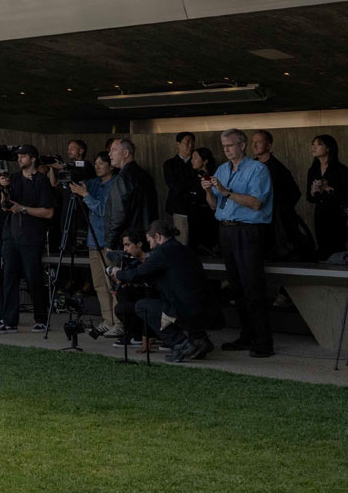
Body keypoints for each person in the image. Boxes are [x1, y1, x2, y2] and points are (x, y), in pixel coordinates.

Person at [202, 128, 274, 356]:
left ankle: (264, 341)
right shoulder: (222, 169)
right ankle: (246, 335)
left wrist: (225, 191)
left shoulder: (257, 169)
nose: (226, 149)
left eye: (230, 145)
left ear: (242, 145)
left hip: (248, 230)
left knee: (253, 286)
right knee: (237, 287)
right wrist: (209, 192)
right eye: (224, 146)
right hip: (226, 229)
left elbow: (256, 203)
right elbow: (215, 205)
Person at [111, 219, 213, 361]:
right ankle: (199, 340)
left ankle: (180, 343)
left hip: (184, 309)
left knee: (142, 306)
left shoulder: (162, 253)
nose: (150, 247)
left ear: (158, 237)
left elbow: (138, 274)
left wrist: (117, 273)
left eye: (150, 241)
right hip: (204, 308)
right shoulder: (183, 249)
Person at [0, 144, 59, 333]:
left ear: (32, 158)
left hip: (31, 237)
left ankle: (41, 318)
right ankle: (9, 320)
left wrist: (23, 208)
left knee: (34, 279)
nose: (19, 159)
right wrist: (3, 189)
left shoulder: (41, 181)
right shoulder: (13, 178)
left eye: (23, 156)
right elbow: (5, 206)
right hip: (11, 236)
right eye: (18, 156)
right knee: (9, 279)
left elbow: (48, 213)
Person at [67, 153, 125, 335]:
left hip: (108, 240)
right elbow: (74, 184)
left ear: (111, 166)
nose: (98, 167)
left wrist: (85, 194)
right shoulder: (93, 183)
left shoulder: (115, 184)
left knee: (112, 283)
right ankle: (107, 321)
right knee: (99, 284)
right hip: (93, 240)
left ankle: (119, 323)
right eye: (96, 163)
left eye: (102, 164)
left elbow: (104, 211)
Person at [250, 130, 313, 261]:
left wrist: (279, 210)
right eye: (253, 142)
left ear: (268, 145)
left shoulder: (278, 168)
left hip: (274, 220)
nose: (254, 145)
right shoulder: (250, 166)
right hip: (254, 218)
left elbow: (294, 193)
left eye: (259, 142)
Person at [305, 134, 348, 261]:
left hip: (337, 215)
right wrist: (312, 192)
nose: (314, 148)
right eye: (313, 145)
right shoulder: (313, 170)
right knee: (322, 247)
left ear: (328, 148)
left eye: (319, 144)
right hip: (320, 214)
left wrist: (328, 189)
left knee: (337, 248)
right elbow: (310, 199)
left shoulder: (342, 170)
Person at [160, 133, 198, 245]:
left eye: (192, 143)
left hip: (197, 209)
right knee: (182, 240)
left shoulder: (197, 162)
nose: (190, 146)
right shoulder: (170, 164)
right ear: (178, 144)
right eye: (187, 142)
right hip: (179, 207)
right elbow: (174, 186)